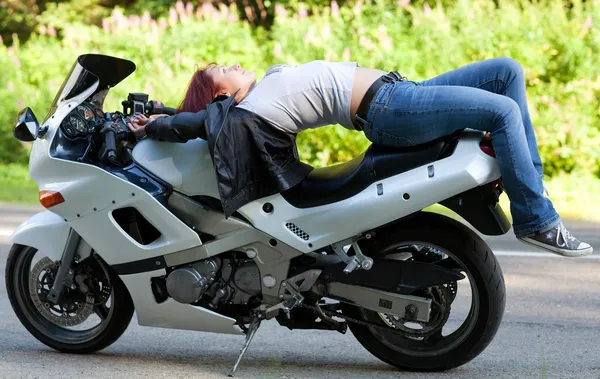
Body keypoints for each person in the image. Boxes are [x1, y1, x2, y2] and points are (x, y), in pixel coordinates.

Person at [128, 58, 593, 257]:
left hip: (400, 89)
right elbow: (193, 123)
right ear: (221, 93)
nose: (232, 64)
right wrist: (157, 123)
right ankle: (537, 220)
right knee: (504, 111)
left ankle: (535, 196)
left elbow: (191, 115)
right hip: (389, 109)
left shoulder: (265, 84)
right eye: (223, 70)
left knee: (506, 74)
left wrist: (161, 110)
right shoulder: (241, 109)